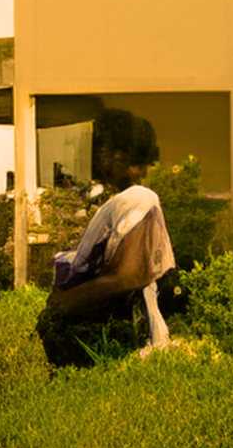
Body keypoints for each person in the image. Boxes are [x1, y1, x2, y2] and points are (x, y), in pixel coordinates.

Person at [37, 109, 176, 368]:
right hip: (109, 343)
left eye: (107, 151)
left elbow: (128, 276)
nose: (101, 158)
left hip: (121, 348)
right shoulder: (113, 200)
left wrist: (63, 303)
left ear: (120, 157)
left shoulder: (138, 199)